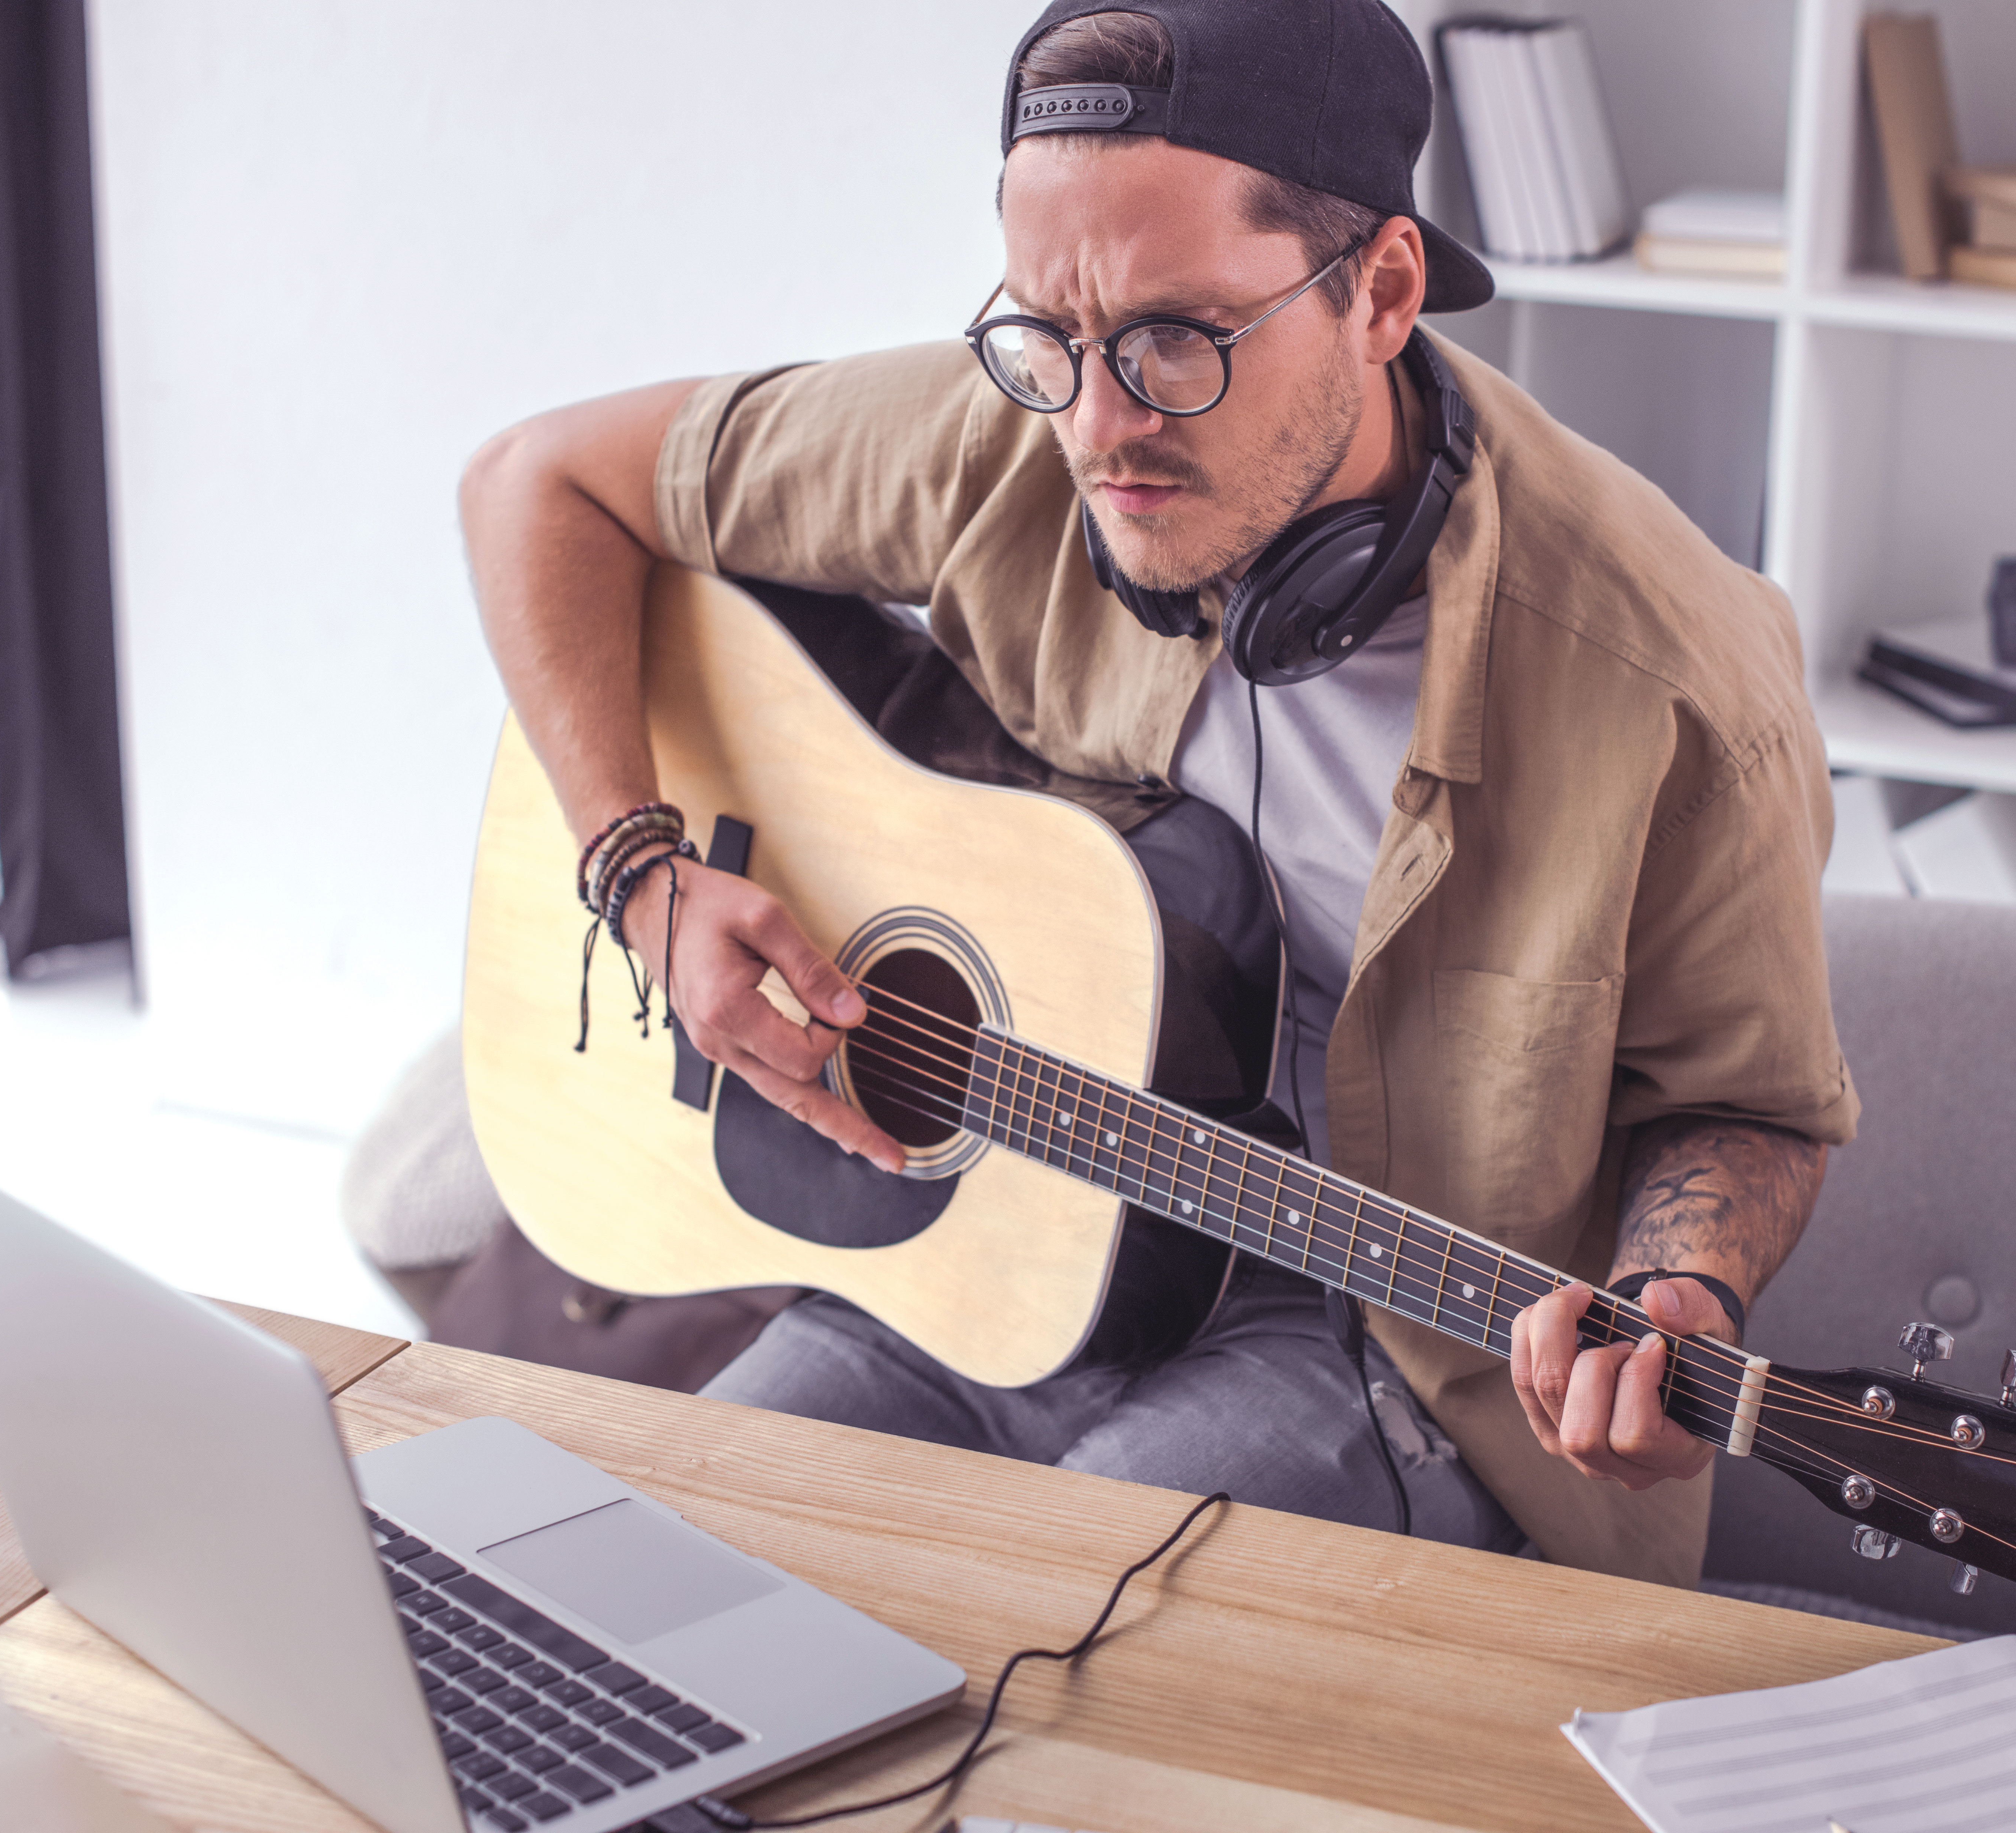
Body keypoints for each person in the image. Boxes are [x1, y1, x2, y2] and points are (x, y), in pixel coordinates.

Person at [457, 0, 1857, 1587]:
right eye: (1045, 336)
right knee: (647, 1578)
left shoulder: (1677, 677)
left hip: (1413, 1357)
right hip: (1023, 1234)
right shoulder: (1021, 424)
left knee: (1013, 1632)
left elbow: (1751, 1105)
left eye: (1176, 342)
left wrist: (1682, 1296)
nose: (1096, 428)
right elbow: (534, 485)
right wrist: (644, 875)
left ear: (1382, 290)